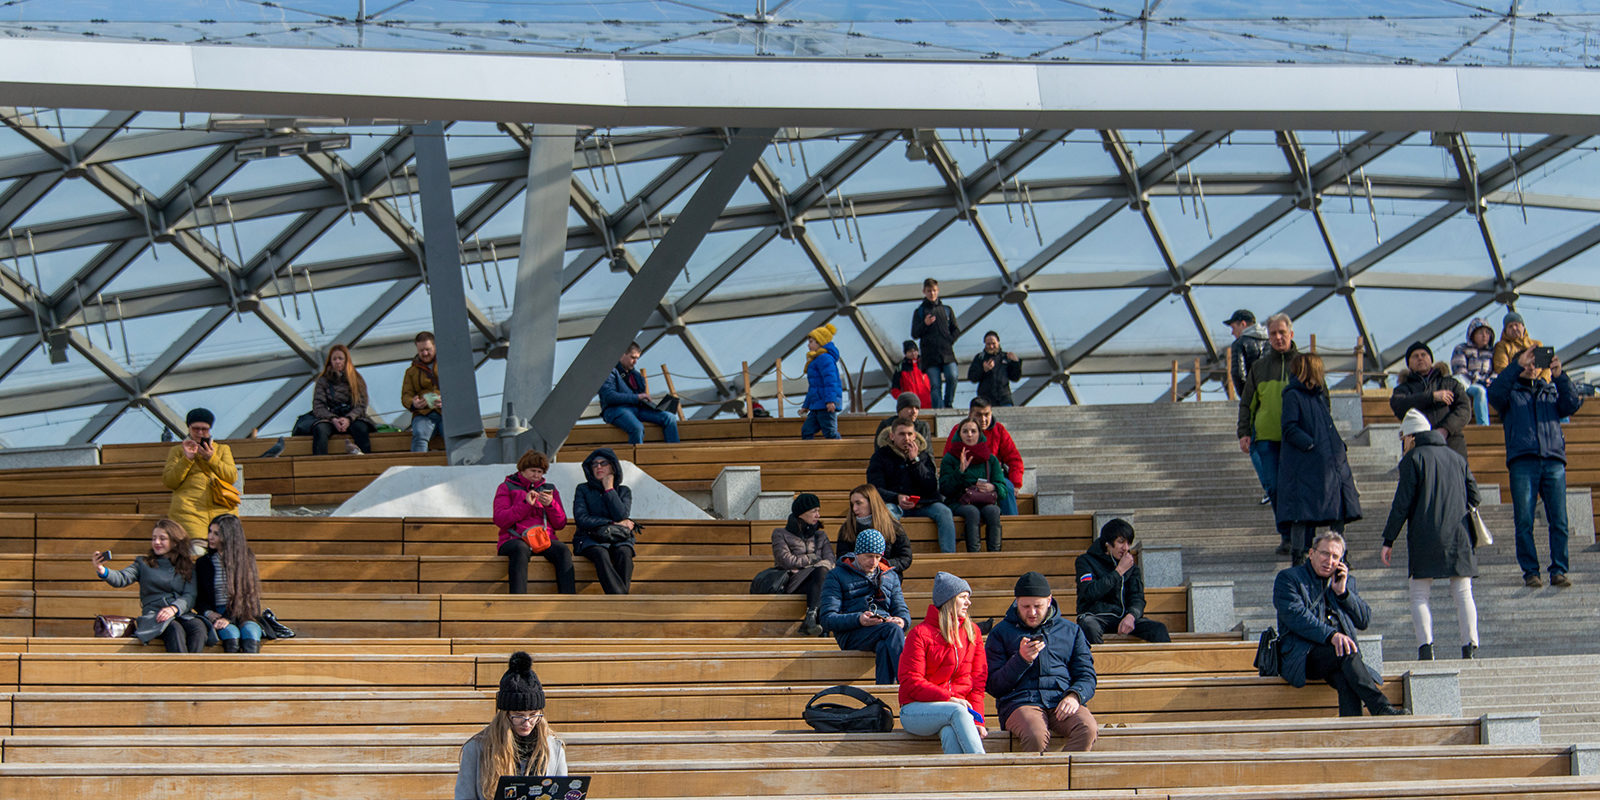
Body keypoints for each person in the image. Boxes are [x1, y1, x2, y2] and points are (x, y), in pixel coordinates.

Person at [1380, 410, 1482, 661]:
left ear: (1411, 436)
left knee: (1419, 594)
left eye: (1402, 437)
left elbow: (1401, 504)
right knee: (1463, 592)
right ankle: (1470, 646)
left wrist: (1388, 539)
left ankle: (1426, 648)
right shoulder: (1456, 458)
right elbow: (1475, 497)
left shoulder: (1412, 459)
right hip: (1459, 534)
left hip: (1425, 535)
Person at [1273, 531, 1407, 717]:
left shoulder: (1344, 581)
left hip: (1338, 657)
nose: (1329, 561)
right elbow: (1296, 616)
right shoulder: (1289, 578)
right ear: (1311, 553)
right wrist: (1332, 635)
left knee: (1346, 678)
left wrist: (1343, 594)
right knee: (1344, 652)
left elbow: (1364, 620)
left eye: (1335, 556)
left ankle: (1351, 730)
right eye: (1324, 553)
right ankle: (1380, 707)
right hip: (1303, 655)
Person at [1487, 344, 1583, 588]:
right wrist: (1516, 365)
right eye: (1526, 362)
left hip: (1553, 461)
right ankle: (1531, 571)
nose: (1531, 367)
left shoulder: (1550, 391)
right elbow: (1494, 395)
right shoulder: (1510, 393)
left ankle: (1559, 570)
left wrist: (1560, 375)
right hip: (1523, 461)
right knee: (1524, 520)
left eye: (1534, 362)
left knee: (1559, 520)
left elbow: (1571, 403)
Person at [985, 571, 1099, 752]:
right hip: (1019, 702)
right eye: (1025, 606)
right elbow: (993, 685)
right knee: (1035, 735)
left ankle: (1058, 778)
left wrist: (1075, 695)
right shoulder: (1000, 633)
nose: (1031, 612)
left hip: (1061, 699)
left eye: (1037, 606)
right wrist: (1021, 660)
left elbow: (1086, 675)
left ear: (1049, 600)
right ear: (1016, 603)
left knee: (1087, 728)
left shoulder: (1071, 631)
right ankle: (1041, 779)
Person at [1277, 353, 1361, 565]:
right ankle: (1300, 556)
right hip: (1308, 464)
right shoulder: (1293, 395)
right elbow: (1289, 427)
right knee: (1303, 512)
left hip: (1331, 463)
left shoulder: (1319, 395)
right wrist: (1311, 444)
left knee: (1337, 511)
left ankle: (1341, 555)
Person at [455, 652, 568, 800]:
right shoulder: (476, 748)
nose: (527, 722)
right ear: (505, 715)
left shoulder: (553, 748)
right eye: (519, 715)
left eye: (534, 714)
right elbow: (465, 797)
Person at [898, 572, 988, 754]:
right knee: (957, 712)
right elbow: (911, 681)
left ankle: (957, 781)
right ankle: (986, 769)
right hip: (915, 709)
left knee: (949, 732)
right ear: (949, 600)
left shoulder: (973, 632)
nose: (968, 602)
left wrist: (978, 721)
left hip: (955, 711)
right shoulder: (920, 634)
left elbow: (977, 683)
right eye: (963, 597)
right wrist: (948, 697)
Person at [91, 519, 206, 653]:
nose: (156, 542)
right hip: (155, 615)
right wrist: (102, 570)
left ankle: (190, 670)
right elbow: (122, 578)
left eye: (162, 538)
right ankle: (182, 671)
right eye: (154, 538)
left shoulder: (187, 566)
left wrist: (174, 608)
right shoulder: (143, 563)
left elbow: (190, 595)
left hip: (181, 613)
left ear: (175, 542)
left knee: (198, 628)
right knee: (174, 629)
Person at [1237, 313, 1299, 553]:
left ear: (1291, 334)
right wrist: (1244, 431)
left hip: (1297, 438)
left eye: (1282, 332)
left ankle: (1299, 533)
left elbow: (1321, 398)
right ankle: (1286, 534)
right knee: (1273, 486)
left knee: (1296, 486)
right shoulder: (1260, 367)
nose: (1278, 337)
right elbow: (1248, 402)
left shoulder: (1303, 363)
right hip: (1267, 439)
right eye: (1273, 333)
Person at [818, 529, 911, 685]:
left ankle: (882, 698)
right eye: (869, 556)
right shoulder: (836, 575)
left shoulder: (890, 575)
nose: (874, 562)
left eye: (878, 557)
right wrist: (859, 619)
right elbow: (827, 619)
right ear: (857, 554)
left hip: (883, 630)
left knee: (884, 645)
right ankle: (908, 683)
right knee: (892, 631)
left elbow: (901, 608)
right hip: (852, 634)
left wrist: (902, 621)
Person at [1074, 518, 1170, 645]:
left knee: (1158, 629)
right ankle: (1101, 664)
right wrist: (1119, 571)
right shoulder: (1085, 561)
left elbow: (1137, 597)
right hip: (1096, 616)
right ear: (1107, 543)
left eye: (1128, 543)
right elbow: (1090, 592)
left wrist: (1131, 616)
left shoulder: (1131, 567)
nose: (1125, 548)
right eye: (1121, 542)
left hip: (1123, 617)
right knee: (1089, 626)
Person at [868, 418, 957, 553]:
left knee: (944, 512)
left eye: (910, 434)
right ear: (892, 436)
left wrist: (915, 462)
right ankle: (886, 556)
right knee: (887, 514)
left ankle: (949, 557)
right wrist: (896, 497)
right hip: (895, 503)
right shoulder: (880, 456)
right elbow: (875, 488)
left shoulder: (923, 456)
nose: (906, 438)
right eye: (902, 434)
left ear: (915, 436)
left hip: (924, 503)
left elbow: (931, 486)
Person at [493, 450, 574, 595]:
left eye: (540, 472)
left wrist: (551, 505)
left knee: (562, 550)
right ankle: (518, 600)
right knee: (520, 549)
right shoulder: (506, 487)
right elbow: (500, 519)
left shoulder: (550, 489)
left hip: (542, 538)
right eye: (532, 471)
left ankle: (568, 600)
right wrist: (525, 504)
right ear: (522, 470)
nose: (536, 475)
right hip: (514, 538)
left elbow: (560, 523)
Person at [161, 407, 238, 544]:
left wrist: (211, 458)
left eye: (205, 429)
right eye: (196, 429)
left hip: (221, 511)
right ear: (189, 428)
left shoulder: (222, 449)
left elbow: (232, 476)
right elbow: (170, 481)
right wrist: (187, 459)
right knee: (197, 551)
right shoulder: (177, 451)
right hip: (189, 512)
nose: (200, 433)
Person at [942, 398, 1024, 517]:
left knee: (1008, 486)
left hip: (992, 477)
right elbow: (948, 459)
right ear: (970, 414)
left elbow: (1014, 458)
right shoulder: (959, 430)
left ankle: (1011, 525)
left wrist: (1016, 483)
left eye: (987, 414)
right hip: (965, 479)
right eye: (979, 415)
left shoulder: (999, 430)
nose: (983, 419)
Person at [1388, 341, 1471, 459]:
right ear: (1409, 364)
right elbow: (1399, 405)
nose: (1420, 358)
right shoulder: (1403, 389)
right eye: (1415, 356)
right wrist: (1432, 397)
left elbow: (1464, 409)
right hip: (1419, 447)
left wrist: (1445, 429)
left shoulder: (1450, 384)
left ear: (1431, 360)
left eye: (1424, 355)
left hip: (1452, 445)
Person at [571, 448, 637, 595]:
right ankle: (621, 599)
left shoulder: (623, 491)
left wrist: (609, 490)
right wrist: (612, 523)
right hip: (589, 539)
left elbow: (622, 515)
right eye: (594, 465)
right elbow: (581, 518)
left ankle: (618, 599)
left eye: (603, 463)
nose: (599, 467)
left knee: (624, 553)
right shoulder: (583, 489)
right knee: (601, 553)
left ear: (613, 466)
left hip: (618, 538)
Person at [195, 514, 264, 653]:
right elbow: (198, 597)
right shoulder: (203, 563)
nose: (210, 537)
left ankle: (251, 671)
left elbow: (247, 594)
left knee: (250, 632)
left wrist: (229, 617)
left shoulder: (246, 559)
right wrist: (208, 613)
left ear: (229, 536)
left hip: (244, 612)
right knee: (231, 633)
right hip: (217, 613)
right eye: (210, 532)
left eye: (216, 534)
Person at [772, 493, 836, 636]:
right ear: (801, 513)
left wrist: (806, 564)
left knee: (824, 573)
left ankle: (812, 618)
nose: (818, 515)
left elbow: (831, 560)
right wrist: (813, 559)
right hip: (794, 583)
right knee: (822, 572)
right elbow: (786, 560)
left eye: (819, 511)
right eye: (814, 511)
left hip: (817, 581)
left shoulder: (820, 536)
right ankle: (820, 627)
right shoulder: (780, 534)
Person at [938, 418, 1005, 552]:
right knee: (972, 512)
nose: (969, 435)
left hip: (985, 501)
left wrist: (993, 487)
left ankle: (995, 554)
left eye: (973, 431)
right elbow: (945, 488)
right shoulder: (950, 458)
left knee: (993, 511)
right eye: (965, 431)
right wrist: (960, 472)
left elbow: (1003, 489)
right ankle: (974, 555)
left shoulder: (990, 459)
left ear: (980, 434)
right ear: (959, 434)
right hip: (959, 502)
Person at [599, 341, 679, 445]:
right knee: (637, 428)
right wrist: (637, 397)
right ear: (622, 354)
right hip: (615, 410)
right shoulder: (609, 372)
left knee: (670, 417)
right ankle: (636, 459)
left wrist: (651, 405)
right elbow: (609, 396)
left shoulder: (637, 376)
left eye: (637, 358)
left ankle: (674, 453)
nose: (635, 361)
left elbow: (639, 397)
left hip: (637, 409)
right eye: (633, 357)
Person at [311, 344, 376, 455]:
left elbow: (361, 404)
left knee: (361, 429)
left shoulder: (357, 379)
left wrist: (349, 419)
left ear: (346, 360)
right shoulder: (323, 380)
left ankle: (365, 463)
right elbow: (318, 405)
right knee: (320, 430)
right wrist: (333, 418)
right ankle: (320, 466)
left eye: (340, 358)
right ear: (330, 361)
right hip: (331, 417)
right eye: (334, 359)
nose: (337, 361)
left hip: (352, 417)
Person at [835, 484, 914, 576]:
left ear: (872, 502)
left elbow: (905, 557)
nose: (854, 509)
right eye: (852, 504)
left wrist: (882, 565)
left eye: (859, 503)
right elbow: (842, 557)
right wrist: (860, 565)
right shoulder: (847, 527)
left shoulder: (893, 526)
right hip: (855, 578)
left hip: (886, 577)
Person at [912, 278, 960, 408]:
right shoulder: (920, 312)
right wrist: (925, 324)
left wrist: (950, 340)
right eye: (929, 291)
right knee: (935, 385)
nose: (931, 293)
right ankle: (939, 409)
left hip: (947, 353)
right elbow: (914, 333)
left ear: (938, 291)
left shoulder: (947, 310)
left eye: (933, 290)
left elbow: (956, 329)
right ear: (924, 292)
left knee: (953, 376)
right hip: (930, 356)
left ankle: (948, 403)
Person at [1451, 318, 1497, 426]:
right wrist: (1478, 381)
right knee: (1479, 391)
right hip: (1467, 385)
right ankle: (1484, 426)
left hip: (1488, 384)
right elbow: (1459, 370)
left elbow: (1497, 369)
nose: (1484, 335)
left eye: (1487, 332)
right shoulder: (1461, 348)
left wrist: (1491, 380)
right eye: (1480, 332)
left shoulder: (1492, 352)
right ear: (1472, 334)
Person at [403, 331, 444, 452]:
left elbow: (459, 387)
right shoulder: (411, 372)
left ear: (435, 346)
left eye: (428, 349)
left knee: (453, 435)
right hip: (423, 413)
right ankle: (418, 467)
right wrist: (413, 403)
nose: (425, 353)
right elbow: (406, 394)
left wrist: (448, 400)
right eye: (421, 351)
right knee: (420, 435)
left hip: (446, 412)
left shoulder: (447, 364)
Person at [801, 323, 843, 440]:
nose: (808, 345)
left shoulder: (824, 358)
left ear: (819, 342)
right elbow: (814, 387)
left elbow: (830, 381)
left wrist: (830, 400)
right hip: (817, 404)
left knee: (829, 432)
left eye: (811, 341)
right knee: (807, 430)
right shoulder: (817, 360)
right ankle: (809, 453)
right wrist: (806, 405)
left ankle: (840, 453)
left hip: (825, 404)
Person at [968, 331, 1021, 407]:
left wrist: (1015, 363)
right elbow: (972, 378)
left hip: (1004, 398)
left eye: (993, 344)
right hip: (986, 400)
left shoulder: (1006, 357)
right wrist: (983, 370)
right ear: (985, 344)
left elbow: (1015, 377)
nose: (991, 346)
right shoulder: (980, 358)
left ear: (998, 343)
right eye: (988, 344)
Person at [1226, 309, 1270, 398]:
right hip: (1271, 395)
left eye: (1233, 327)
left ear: (1243, 324)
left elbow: (1238, 374)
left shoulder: (1239, 344)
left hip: (1253, 396)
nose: (1232, 332)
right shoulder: (1271, 342)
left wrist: (1246, 398)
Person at [1491, 311, 1544, 379]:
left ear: (1523, 327)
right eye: (1510, 326)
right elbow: (1501, 368)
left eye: (1516, 325)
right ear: (1505, 331)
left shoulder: (1538, 344)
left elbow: (1546, 367)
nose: (1514, 328)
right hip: (1515, 384)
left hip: (1538, 383)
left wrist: (1542, 380)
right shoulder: (1501, 346)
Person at [890, 339, 933, 409]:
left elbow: (934, 382)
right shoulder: (901, 368)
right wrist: (904, 399)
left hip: (928, 404)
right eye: (910, 351)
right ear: (905, 353)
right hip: (911, 406)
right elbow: (894, 389)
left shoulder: (925, 363)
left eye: (915, 351)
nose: (913, 354)